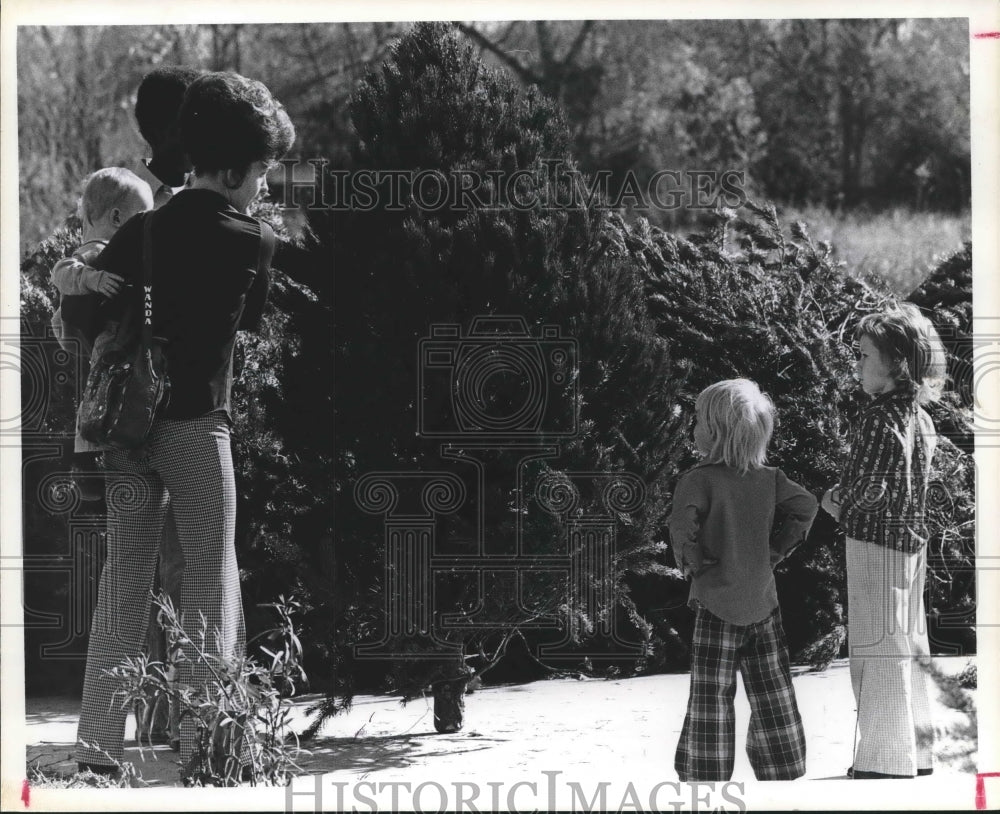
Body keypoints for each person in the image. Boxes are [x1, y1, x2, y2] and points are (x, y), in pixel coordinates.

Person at [74, 70, 294, 775]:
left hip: (128, 434)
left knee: (124, 579)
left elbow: (82, 317)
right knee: (209, 574)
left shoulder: (138, 228)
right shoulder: (250, 239)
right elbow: (248, 330)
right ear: (233, 167)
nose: (263, 185)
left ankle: (97, 752)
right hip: (199, 428)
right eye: (261, 171)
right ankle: (210, 750)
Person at [670, 379, 817, 782]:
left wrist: (694, 562)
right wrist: (776, 551)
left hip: (716, 604)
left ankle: (706, 775)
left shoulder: (698, 479)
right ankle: (783, 767)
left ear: (714, 432)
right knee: (774, 693)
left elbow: (681, 526)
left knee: (711, 696)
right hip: (763, 602)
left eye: (698, 420)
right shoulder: (770, 479)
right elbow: (806, 506)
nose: (693, 428)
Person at [821, 303, 945, 779]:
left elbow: (873, 486)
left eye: (864, 355)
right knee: (909, 643)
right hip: (912, 543)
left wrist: (836, 499)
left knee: (877, 646)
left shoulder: (878, 419)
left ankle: (883, 759)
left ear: (895, 363)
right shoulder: (920, 418)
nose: (857, 364)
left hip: (875, 543)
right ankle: (918, 750)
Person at [130, 65, 202, 749]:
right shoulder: (169, 204)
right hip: (179, 408)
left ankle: (165, 711)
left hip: (146, 410)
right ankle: (177, 713)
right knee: (183, 562)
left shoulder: (150, 196)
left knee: (161, 562)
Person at [49, 168, 154, 500]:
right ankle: (86, 459)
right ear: (119, 217)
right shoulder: (97, 248)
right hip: (97, 335)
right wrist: (91, 279)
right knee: (101, 388)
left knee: (97, 388)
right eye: (143, 219)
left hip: (85, 333)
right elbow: (61, 272)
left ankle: (93, 454)